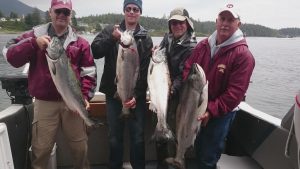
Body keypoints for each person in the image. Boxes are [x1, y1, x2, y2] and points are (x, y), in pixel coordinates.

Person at [2, 0, 97, 168]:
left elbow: (89, 72)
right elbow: (9, 54)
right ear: (50, 12)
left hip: (73, 101)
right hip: (45, 103)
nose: (62, 15)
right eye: (58, 11)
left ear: (70, 16)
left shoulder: (81, 43)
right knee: (41, 150)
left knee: (80, 149)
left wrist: (85, 95)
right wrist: (33, 44)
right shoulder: (34, 35)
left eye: (66, 12)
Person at [183, 4, 255, 169]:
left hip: (220, 114)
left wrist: (211, 110)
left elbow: (235, 94)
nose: (225, 23)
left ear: (238, 24)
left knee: (208, 156)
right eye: (222, 19)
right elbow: (188, 67)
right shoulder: (203, 45)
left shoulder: (243, 55)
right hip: (197, 106)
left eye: (230, 20)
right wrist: (191, 95)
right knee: (195, 148)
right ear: (216, 21)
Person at [91, 0, 153, 168]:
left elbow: (146, 70)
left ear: (140, 12)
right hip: (114, 94)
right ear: (124, 11)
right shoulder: (111, 30)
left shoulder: (146, 38)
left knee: (138, 136)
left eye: (135, 9)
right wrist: (112, 39)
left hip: (136, 97)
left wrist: (138, 95)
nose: (132, 12)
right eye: (128, 8)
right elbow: (95, 51)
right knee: (114, 136)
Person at [155, 7, 197, 169]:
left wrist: (171, 90)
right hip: (164, 93)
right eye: (173, 23)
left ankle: (176, 163)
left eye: (181, 22)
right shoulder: (168, 38)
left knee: (172, 137)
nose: (177, 26)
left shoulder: (191, 47)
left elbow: (183, 74)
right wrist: (156, 53)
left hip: (179, 97)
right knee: (160, 136)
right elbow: (162, 56)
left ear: (187, 24)